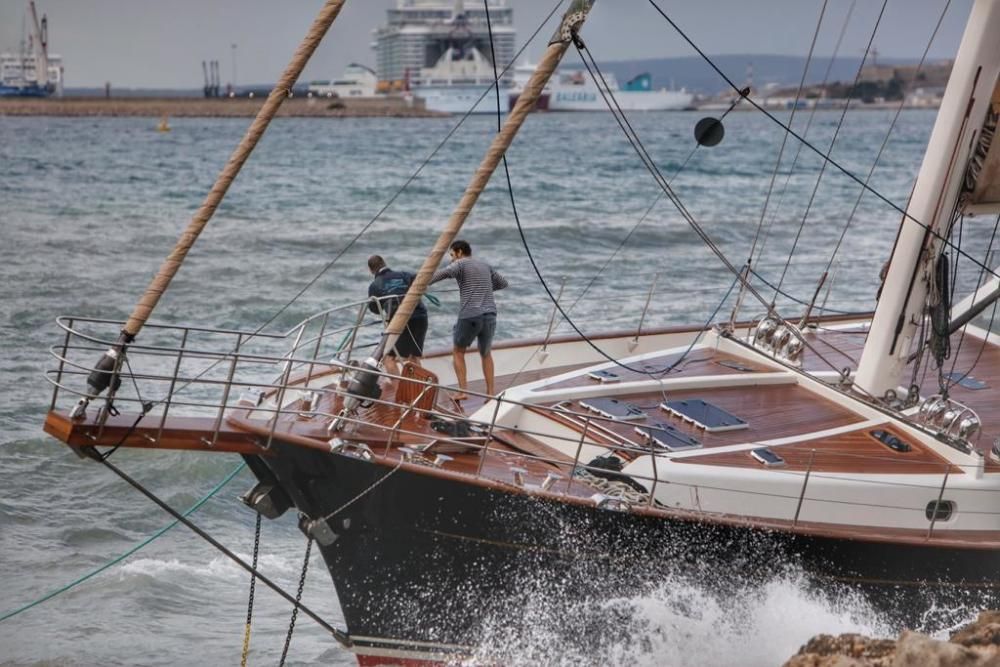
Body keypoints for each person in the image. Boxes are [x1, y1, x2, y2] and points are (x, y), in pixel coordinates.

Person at [430, 239, 508, 400]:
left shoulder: (460, 264)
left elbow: (442, 274)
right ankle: (490, 393)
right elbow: (503, 283)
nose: (451, 259)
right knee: (486, 353)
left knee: (458, 351)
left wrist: (420, 282)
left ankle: (463, 392)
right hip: (490, 314)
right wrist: (483, 287)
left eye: (452, 255)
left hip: (470, 314)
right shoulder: (485, 265)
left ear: (459, 252)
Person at [367, 255, 428, 376]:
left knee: (388, 358)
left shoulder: (374, 286)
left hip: (401, 321)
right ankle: (418, 388)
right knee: (413, 357)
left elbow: (375, 309)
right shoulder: (404, 275)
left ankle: (398, 390)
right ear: (384, 263)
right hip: (421, 316)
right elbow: (421, 282)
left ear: (371, 270)